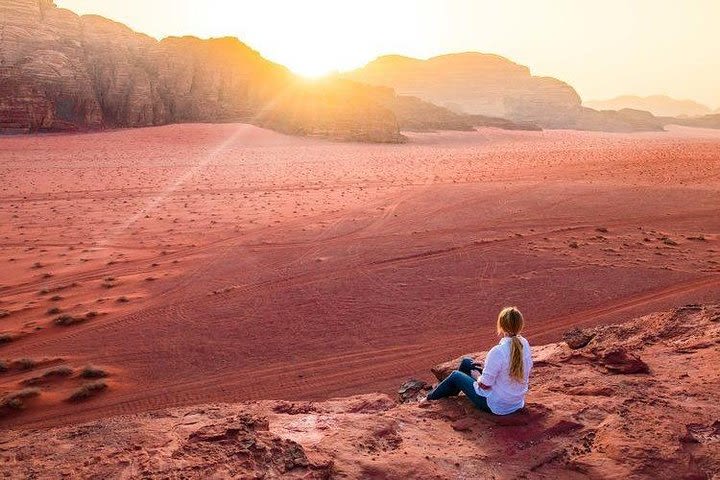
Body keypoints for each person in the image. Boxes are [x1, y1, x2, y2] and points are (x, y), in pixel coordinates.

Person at [422, 307, 533, 415]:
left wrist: (477, 377)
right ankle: (451, 393)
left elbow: (484, 385)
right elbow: (510, 366)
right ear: (520, 325)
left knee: (456, 375)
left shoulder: (497, 351)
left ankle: (429, 398)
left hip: (496, 405)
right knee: (467, 363)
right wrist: (486, 366)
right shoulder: (524, 343)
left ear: (502, 326)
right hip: (515, 402)